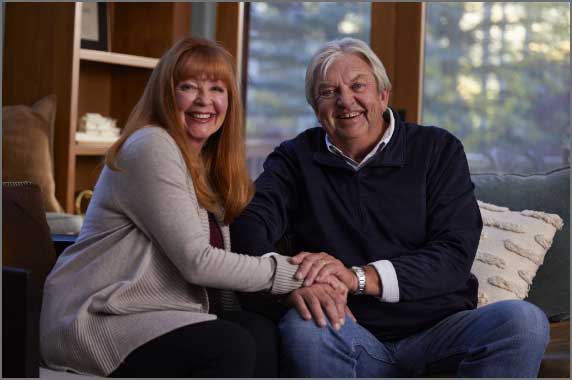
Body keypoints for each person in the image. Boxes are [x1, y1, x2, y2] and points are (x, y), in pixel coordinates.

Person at [231, 37, 550, 377]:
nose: (345, 101)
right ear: (315, 106)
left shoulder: (437, 149)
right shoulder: (295, 158)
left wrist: (357, 278)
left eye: (358, 86)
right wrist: (293, 284)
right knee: (304, 328)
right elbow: (247, 226)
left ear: (383, 96)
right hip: (347, 331)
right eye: (328, 92)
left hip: (442, 332)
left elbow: (453, 255)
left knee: (524, 322)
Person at [39, 37, 345, 378]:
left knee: (260, 332)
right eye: (188, 86)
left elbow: (213, 283)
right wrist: (296, 275)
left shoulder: (206, 162)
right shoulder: (152, 146)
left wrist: (290, 292)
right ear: (166, 95)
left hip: (161, 312)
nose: (204, 100)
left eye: (217, 88)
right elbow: (197, 262)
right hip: (101, 317)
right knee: (231, 345)